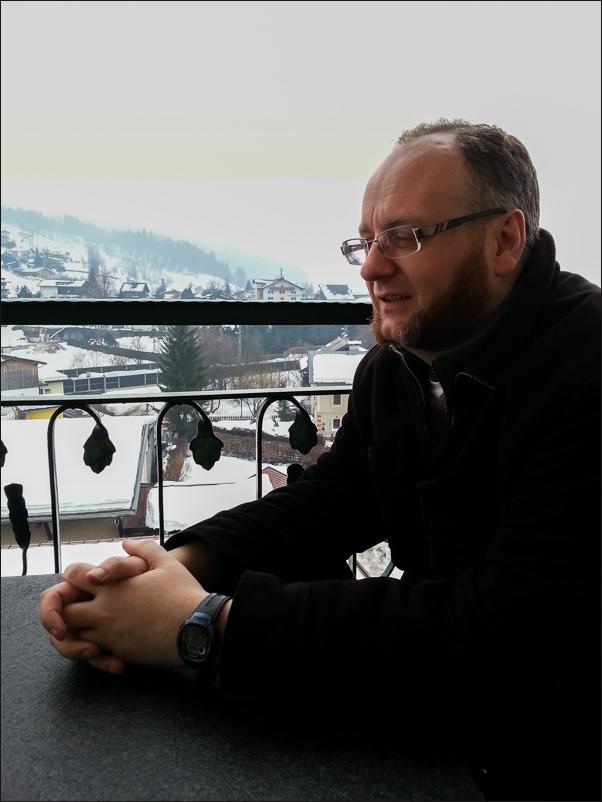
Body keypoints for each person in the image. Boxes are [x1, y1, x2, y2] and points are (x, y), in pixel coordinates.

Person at [40, 119, 600, 801]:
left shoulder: (585, 368)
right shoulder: (397, 370)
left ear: (505, 240)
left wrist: (204, 625)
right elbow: (329, 503)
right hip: (448, 746)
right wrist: (166, 570)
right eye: (366, 241)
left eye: (406, 236)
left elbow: (502, 637)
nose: (371, 268)